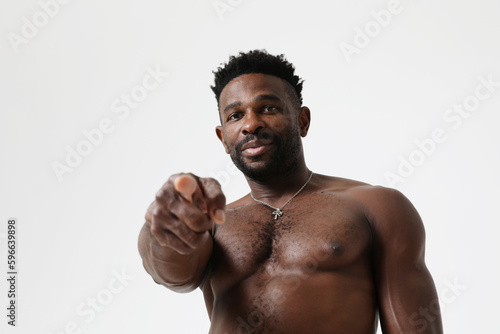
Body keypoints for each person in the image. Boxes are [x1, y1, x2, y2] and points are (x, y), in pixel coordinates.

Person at [138, 50, 444, 334]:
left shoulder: (376, 206)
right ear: (223, 138)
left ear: (302, 120)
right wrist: (160, 229)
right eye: (235, 116)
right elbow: (170, 273)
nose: (251, 124)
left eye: (268, 108)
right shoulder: (212, 224)